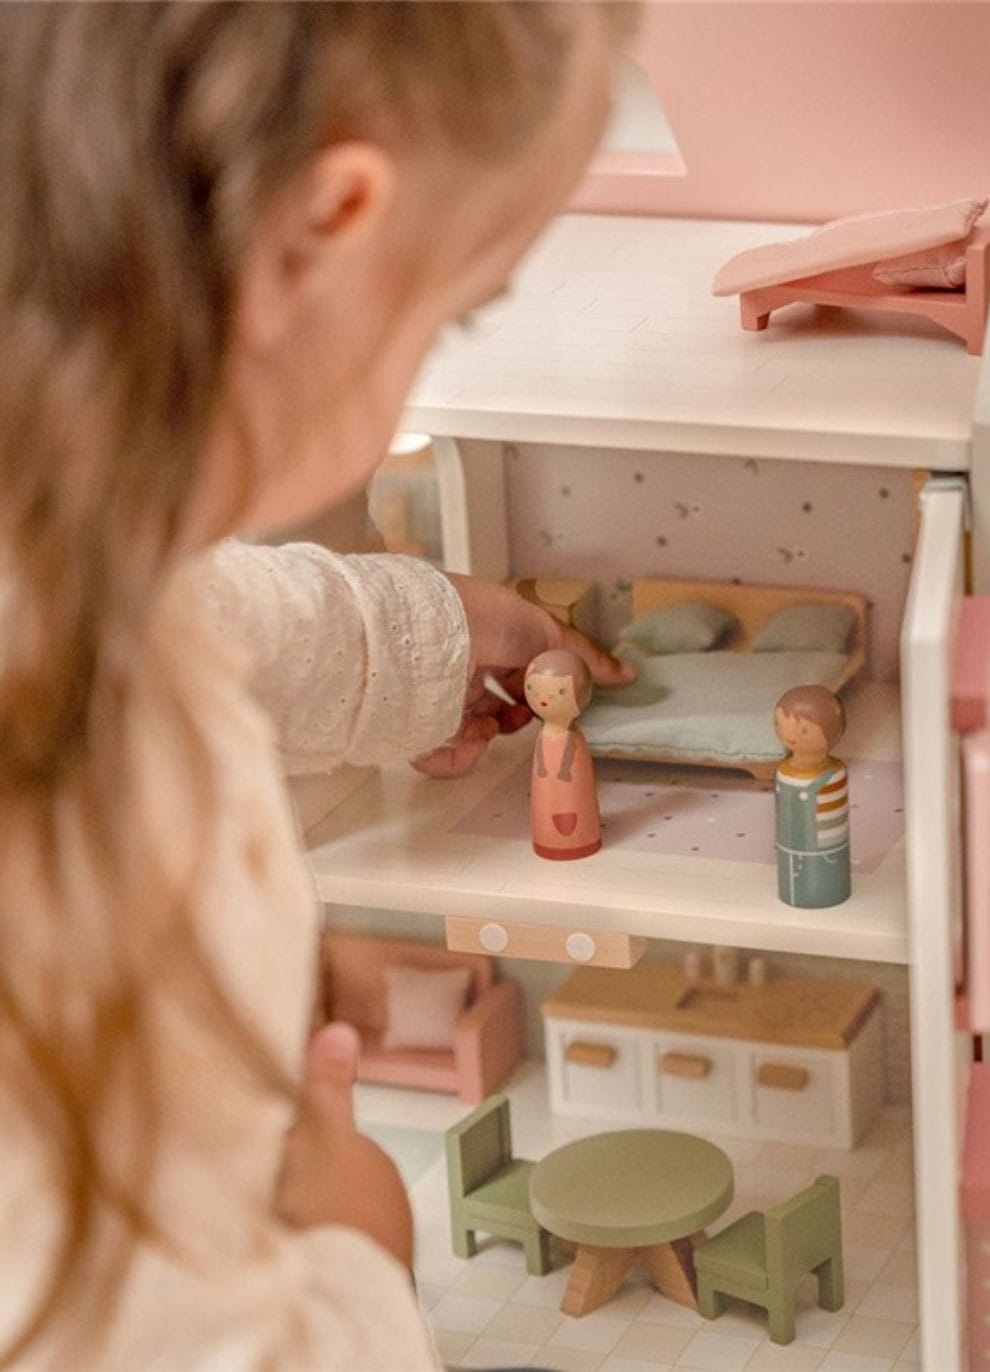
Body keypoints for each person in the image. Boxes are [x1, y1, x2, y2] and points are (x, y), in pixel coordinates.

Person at [0, 4, 637, 1368]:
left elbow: (221, 617)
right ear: (321, 234)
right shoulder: (67, 854)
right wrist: (354, 1263)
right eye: (455, 310)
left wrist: (432, 636)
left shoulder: (57, 538)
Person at [773, 686, 852, 908]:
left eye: (804, 731)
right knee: (794, 878)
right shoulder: (784, 773)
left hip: (827, 852)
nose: (791, 737)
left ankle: (823, 892)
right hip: (791, 850)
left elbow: (833, 826)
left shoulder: (834, 775)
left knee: (825, 872)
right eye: (780, 725)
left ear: (832, 732)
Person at [525, 649, 601, 860]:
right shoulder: (545, 736)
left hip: (566, 778)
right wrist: (542, 768)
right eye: (532, 688)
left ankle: (578, 840)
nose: (543, 699)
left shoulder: (572, 737)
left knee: (574, 804)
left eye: (559, 692)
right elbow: (542, 755)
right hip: (546, 778)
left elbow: (569, 756)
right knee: (546, 804)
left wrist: (564, 770)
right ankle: (550, 840)